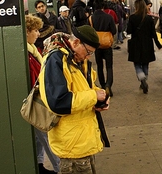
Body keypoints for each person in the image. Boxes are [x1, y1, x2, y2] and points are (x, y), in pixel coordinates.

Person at [39, 25, 110, 174]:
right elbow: (58, 102)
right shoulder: (56, 61)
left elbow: (86, 85)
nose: (88, 56)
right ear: (76, 42)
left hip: (83, 139)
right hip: (71, 144)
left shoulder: (77, 58)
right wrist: (93, 96)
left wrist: (99, 97)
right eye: (88, 52)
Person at [25, 14, 60, 174]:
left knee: (38, 137)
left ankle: (39, 165)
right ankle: (61, 169)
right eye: (36, 31)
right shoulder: (27, 55)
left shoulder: (32, 50)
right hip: (36, 101)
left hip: (37, 98)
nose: (38, 34)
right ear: (26, 32)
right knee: (48, 137)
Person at [127, 0, 162, 94]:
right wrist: (158, 44)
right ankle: (144, 79)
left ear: (136, 7)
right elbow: (153, 33)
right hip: (147, 43)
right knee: (145, 63)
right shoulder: (149, 19)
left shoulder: (132, 18)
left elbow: (129, 31)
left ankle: (141, 78)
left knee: (137, 63)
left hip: (136, 43)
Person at [90, 0, 117, 97]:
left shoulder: (91, 18)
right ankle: (108, 85)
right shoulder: (109, 17)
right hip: (107, 45)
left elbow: (90, 32)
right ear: (103, 6)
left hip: (97, 46)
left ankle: (102, 85)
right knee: (109, 67)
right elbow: (114, 30)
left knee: (100, 66)